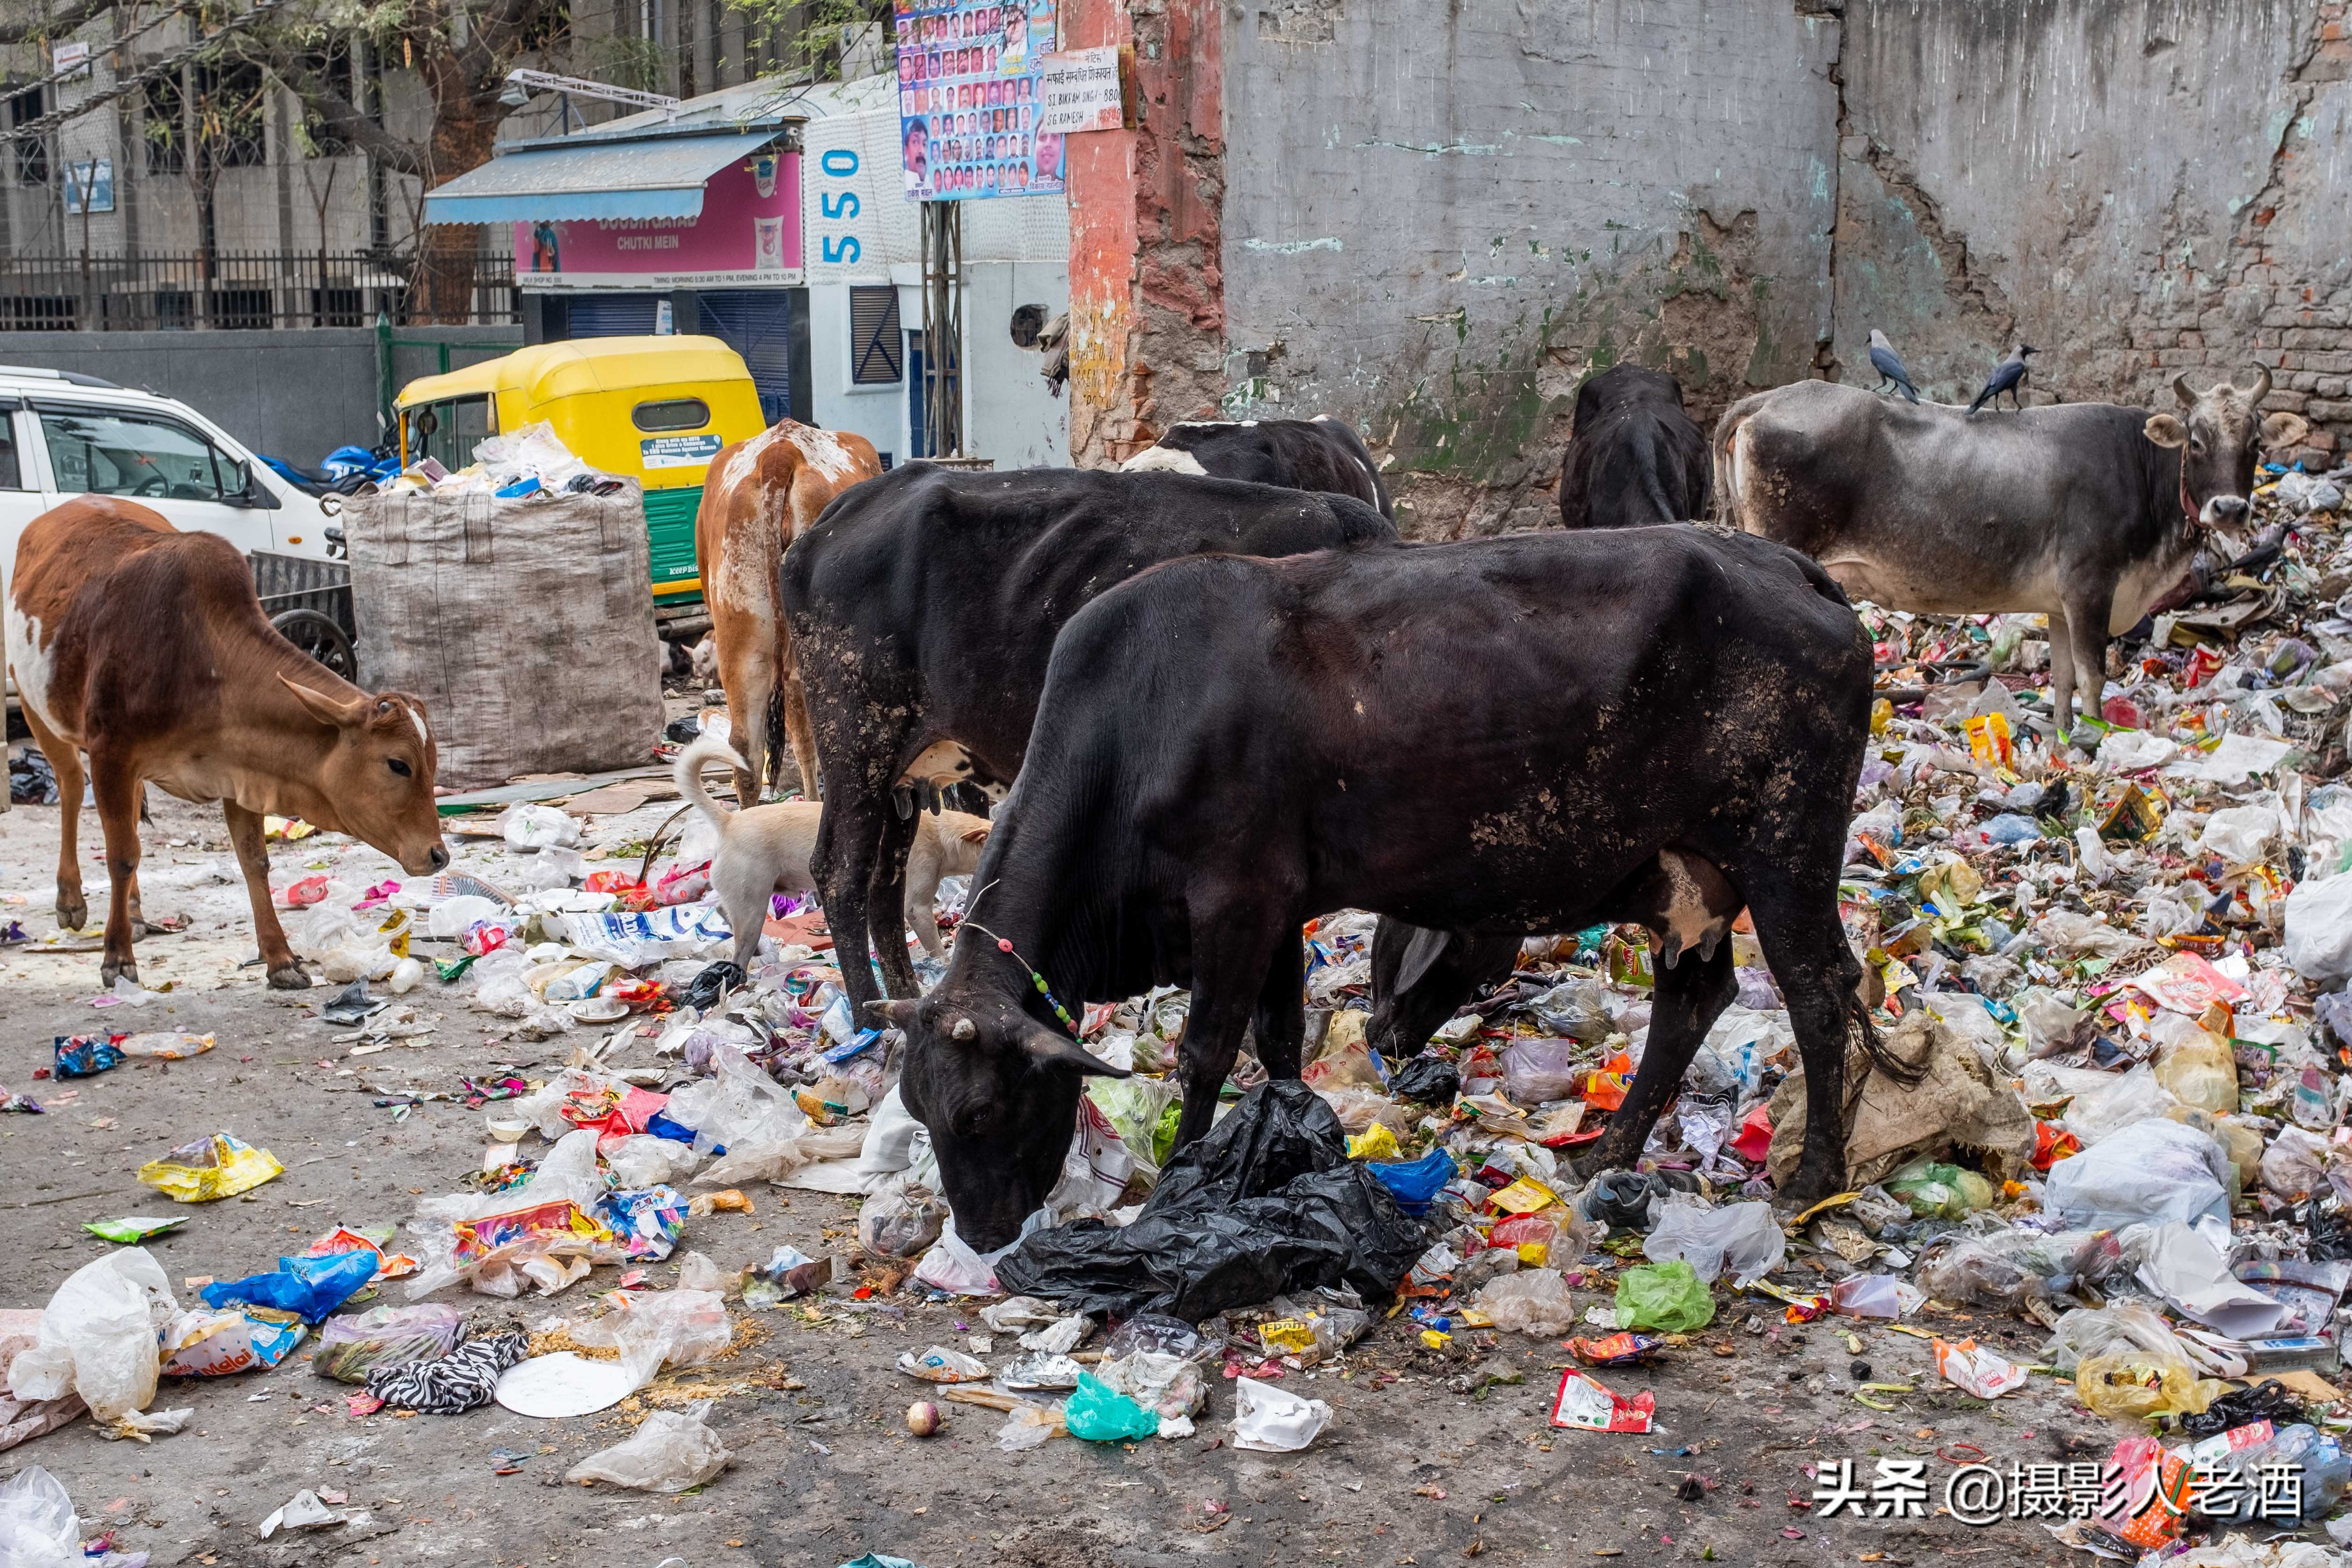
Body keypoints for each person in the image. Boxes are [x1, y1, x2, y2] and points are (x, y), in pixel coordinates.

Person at [902, 118, 930, 192]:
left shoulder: (931, 189)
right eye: (915, 142)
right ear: (906, 151)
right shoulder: (902, 188)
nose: (922, 151)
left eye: (924, 144)